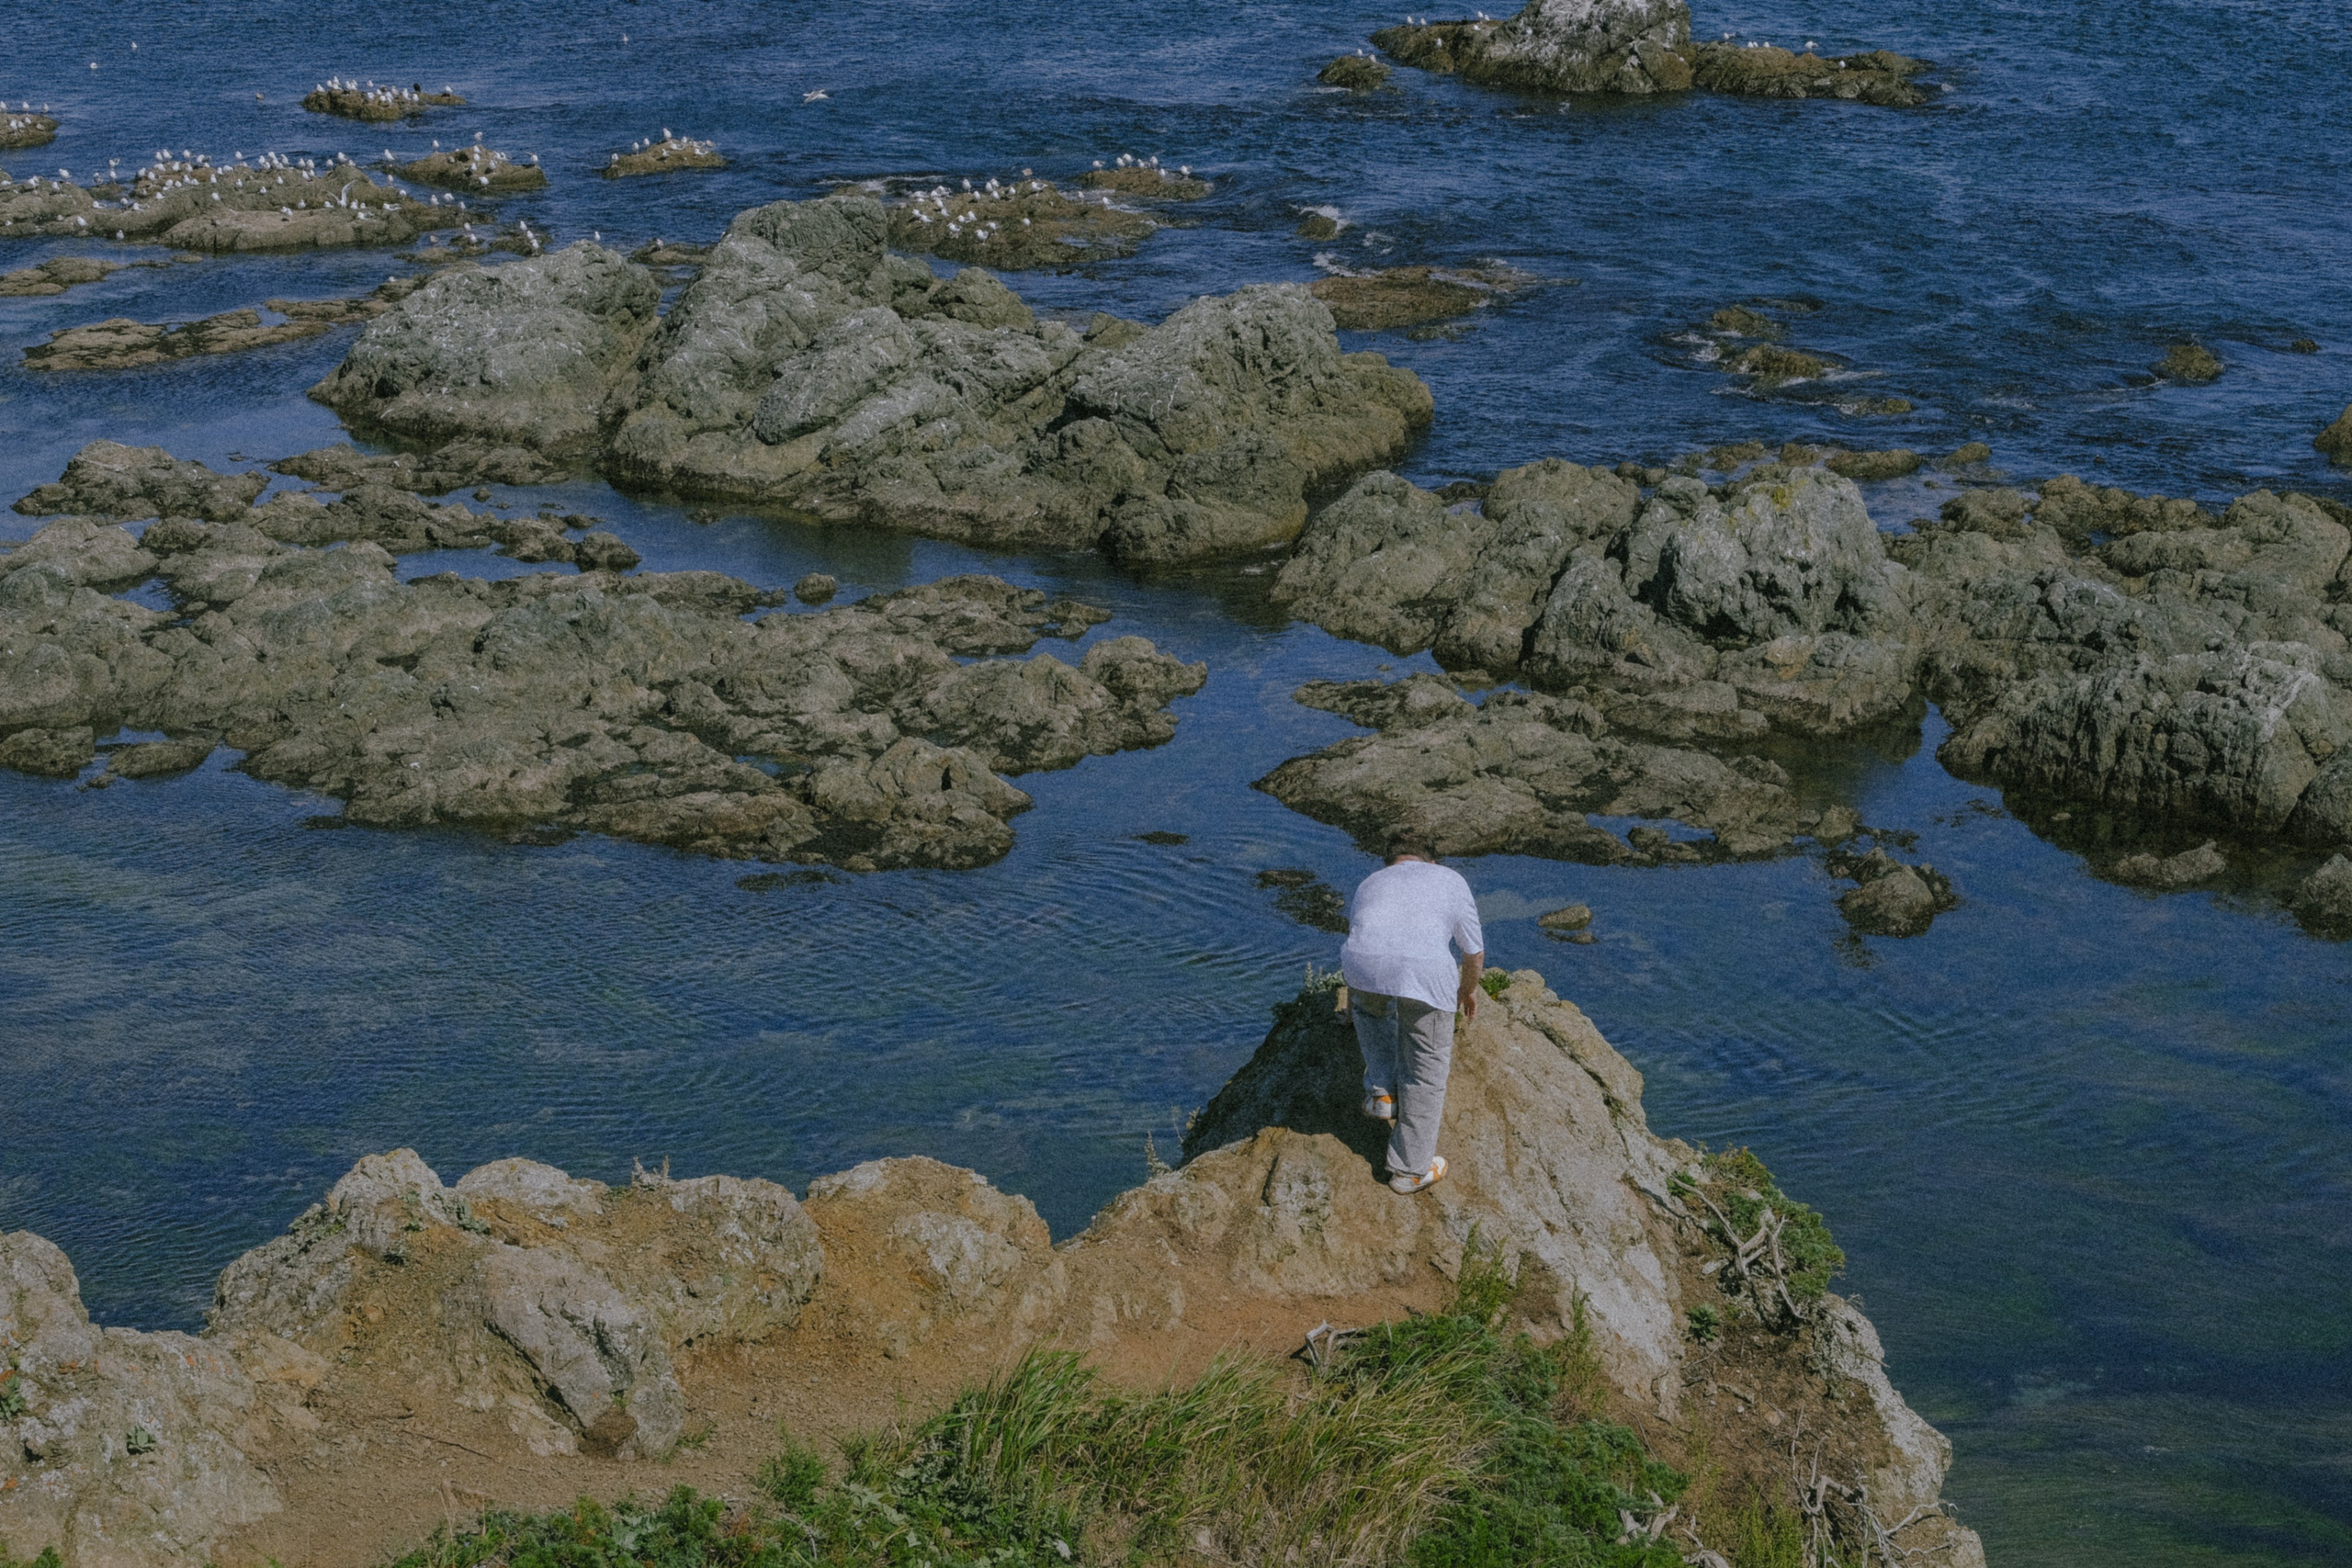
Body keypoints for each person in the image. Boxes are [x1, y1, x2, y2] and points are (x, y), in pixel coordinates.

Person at [1339, 833, 1484, 1194]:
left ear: (1390, 864)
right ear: (1431, 862)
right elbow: (1474, 953)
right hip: (1426, 971)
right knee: (1425, 1070)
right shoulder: (1451, 878)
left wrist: (1352, 1004)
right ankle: (1411, 1170)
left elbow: (1364, 937)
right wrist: (1466, 990)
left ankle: (1383, 1091)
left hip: (1361, 966)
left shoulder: (1370, 882)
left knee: (1372, 1012)